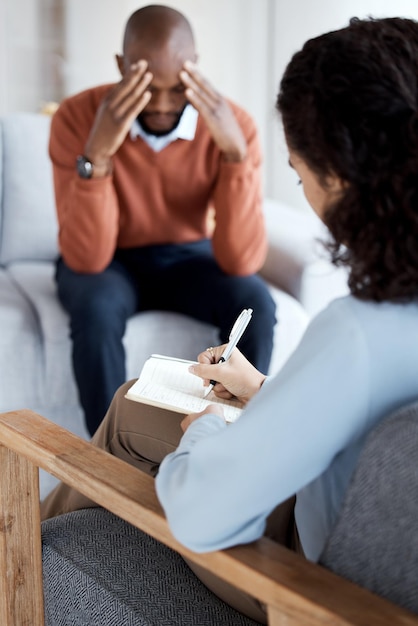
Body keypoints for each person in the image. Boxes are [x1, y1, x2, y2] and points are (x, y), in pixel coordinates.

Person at [42, 15, 418, 624]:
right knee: (136, 395)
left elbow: (201, 513)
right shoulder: (380, 328)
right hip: (340, 506)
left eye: (298, 175)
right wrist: (265, 392)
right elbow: (363, 426)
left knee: (157, 409)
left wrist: (206, 428)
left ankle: (26, 566)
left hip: (311, 574)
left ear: (341, 177)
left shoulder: (356, 332)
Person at [50, 4, 276, 436]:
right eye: (146, 86)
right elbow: (87, 257)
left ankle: (242, 442)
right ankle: (106, 463)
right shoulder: (77, 117)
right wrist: (96, 156)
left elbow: (241, 261)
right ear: (121, 66)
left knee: (255, 300)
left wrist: (234, 157)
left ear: (194, 69)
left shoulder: (235, 125)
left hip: (187, 256)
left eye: (176, 88)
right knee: (95, 307)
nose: (161, 104)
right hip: (108, 260)